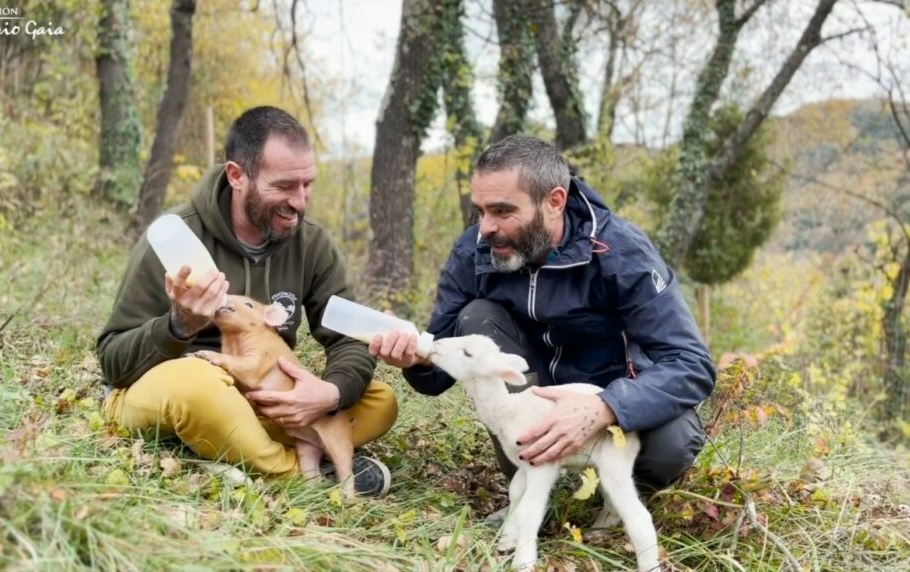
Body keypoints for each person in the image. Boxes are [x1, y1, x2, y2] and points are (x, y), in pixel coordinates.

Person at [371, 135, 713, 497]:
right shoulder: (474, 251)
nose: (485, 227)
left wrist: (607, 406)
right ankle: (527, 489)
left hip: (608, 400)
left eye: (502, 211)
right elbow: (434, 376)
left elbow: (691, 363)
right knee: (477, 316)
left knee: (675, 441)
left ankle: (612, 500)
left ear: (554, 202)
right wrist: (415, 358)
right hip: (529, 398)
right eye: (481, 211)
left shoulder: (622, 253)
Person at [97, 106, 396, 496]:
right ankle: (296, 473)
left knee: (379, 401)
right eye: (285, 186)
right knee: (197, 384)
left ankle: (223, 450)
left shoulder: (311, 243)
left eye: (307, 185)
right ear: (237, 176)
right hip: (174, 389)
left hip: (255, 397)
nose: (300, 202)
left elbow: (348, 337)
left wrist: (330, 393)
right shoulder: (174, 239)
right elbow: (113, 362)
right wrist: (178, 325)